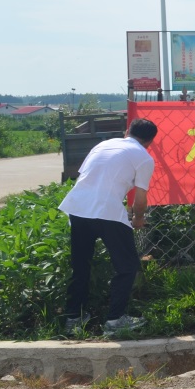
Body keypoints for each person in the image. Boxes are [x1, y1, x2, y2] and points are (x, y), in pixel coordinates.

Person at [57, 118, 158, 334]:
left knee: (81, 265)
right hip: (107, 211)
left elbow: (88, 176)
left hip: (78, 208)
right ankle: (115, 321)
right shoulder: (144, 157)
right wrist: (138, 219)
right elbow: (140, 198)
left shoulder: (102, 145)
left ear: (127, 131)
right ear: (150, 142)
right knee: (127, 266)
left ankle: (74, 319)